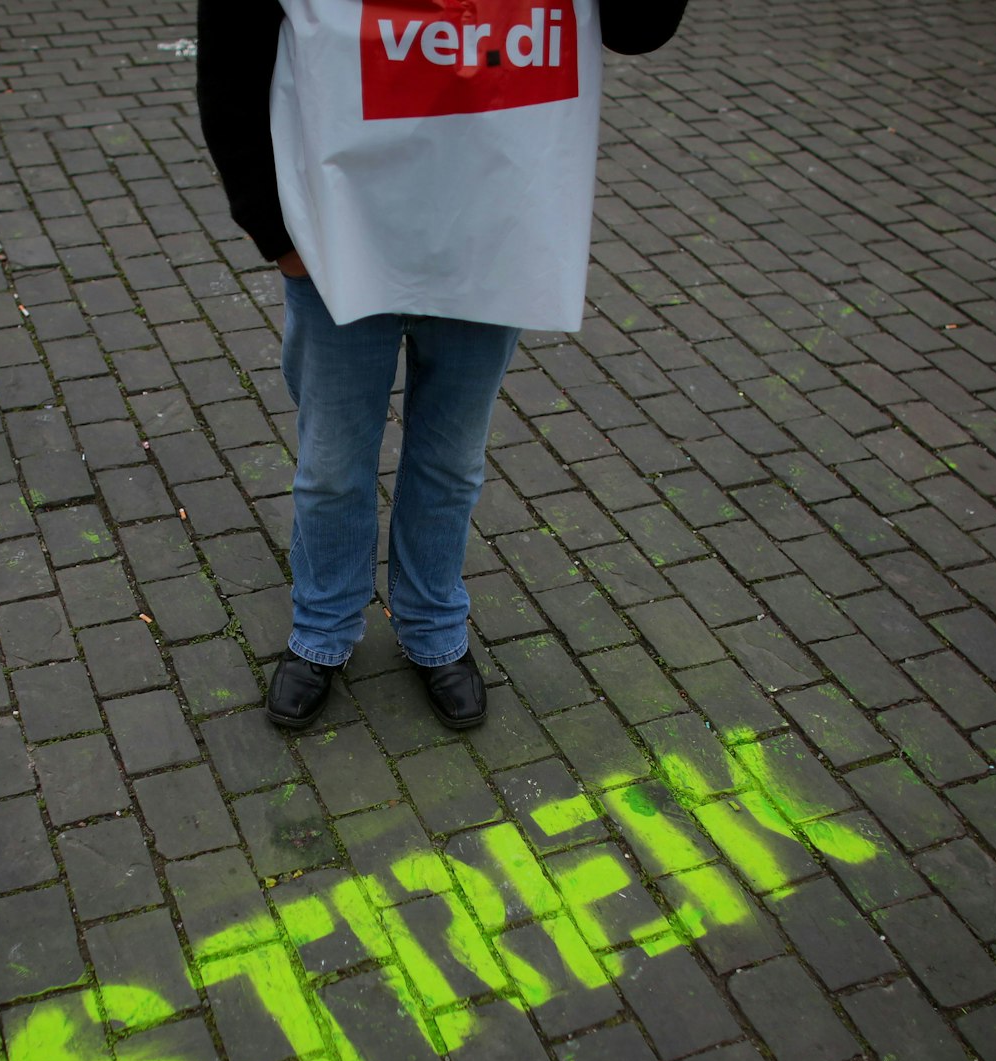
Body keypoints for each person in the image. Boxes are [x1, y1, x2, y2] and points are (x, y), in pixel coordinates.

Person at [198, 1, 689, 731]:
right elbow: (230, 57)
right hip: (343, 235)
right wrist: (274, 229)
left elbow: (637, 25)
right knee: (333, 462)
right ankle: (323, 631)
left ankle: (432, 627)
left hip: (484, 234)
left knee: (452, 456)